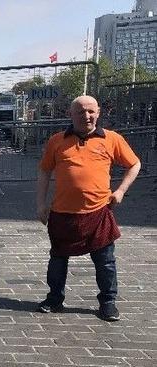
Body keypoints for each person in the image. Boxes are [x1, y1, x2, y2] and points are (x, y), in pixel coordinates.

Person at [36, 95, 141, 321]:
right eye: (81, 112)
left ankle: (108, 302)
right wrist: (41, 204)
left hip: (98, 213)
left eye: (91, 111)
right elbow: (44, 171)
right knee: (57, 259)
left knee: (105, 262)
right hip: (62, 213)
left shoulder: (112, 139)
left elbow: (134, 164)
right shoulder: (57, 141)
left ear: (98, 112)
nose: (87, 116)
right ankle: (54, 299)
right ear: (70, 114)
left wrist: (120, 191)